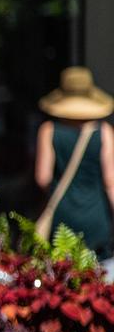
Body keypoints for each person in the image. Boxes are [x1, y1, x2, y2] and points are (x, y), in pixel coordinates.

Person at [34, 66, 114, 261]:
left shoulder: (49, 131)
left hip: (62, 222)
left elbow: (42, 178)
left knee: (62, 280)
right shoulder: (104, 132)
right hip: (97, 221)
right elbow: (110, 182)